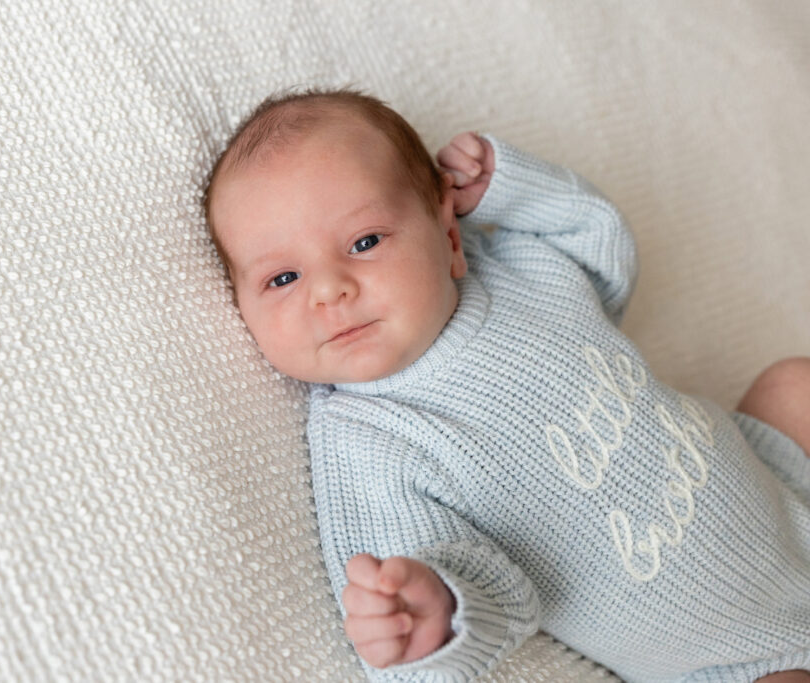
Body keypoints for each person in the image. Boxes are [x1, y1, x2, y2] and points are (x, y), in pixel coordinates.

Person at [202, 87, 810, 682]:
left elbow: (600, 245)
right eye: (282, 278)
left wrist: (509, 189)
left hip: (778, 476)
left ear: (448, 237)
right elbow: (486, 588)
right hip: (740, 652)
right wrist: (432, 616)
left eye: (365, 242)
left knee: (793, 384)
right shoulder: (367, 441)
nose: (329, 288)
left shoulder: (514, 270)